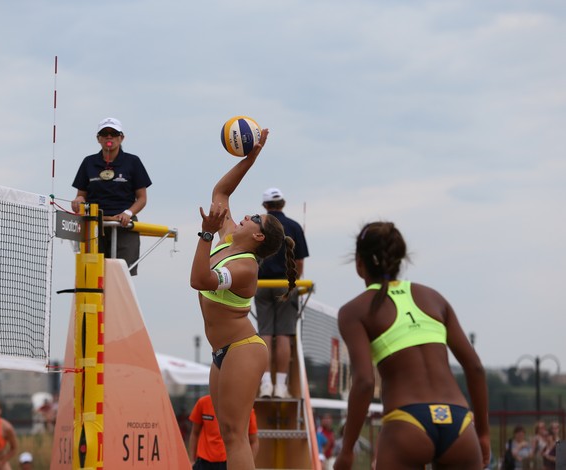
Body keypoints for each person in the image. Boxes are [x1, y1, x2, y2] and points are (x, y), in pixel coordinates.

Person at [333, 221, 490, 470]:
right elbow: (475, 368)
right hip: (458, 420)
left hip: (407, 420)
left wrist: (347, 450)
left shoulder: (355, 310)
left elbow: (364, 382)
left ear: (359, 264)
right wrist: (482, 434)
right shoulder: (433, 298)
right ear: (399, 259)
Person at [190, 128, 297, 470]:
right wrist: (250, 158)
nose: (248, 214)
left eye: (255, 218)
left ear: (258, 235)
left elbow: (199, 280)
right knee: (226, 433)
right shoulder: (228, 237)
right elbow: (221, 190)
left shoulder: (245, 266)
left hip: (243, 350)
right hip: (221, 352)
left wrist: (206, 233)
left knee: (236, 436)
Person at [71, 117, 152, 275]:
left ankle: (118, 300)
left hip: (123, 225)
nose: (109, 137)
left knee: (121, 273)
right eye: (105, 133)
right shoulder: (88, 162)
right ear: (98, 138)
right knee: (93, 272)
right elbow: (81, 195)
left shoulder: (132, 162)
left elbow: (142, 198)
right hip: (95, 224)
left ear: (121, 137)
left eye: (114, 133)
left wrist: (128, 213)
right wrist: (78, 201)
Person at [256, 187, 309, 399]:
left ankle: (266, 384)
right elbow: (299, 261)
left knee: (266, 333)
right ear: (283, 204)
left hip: (261, 284)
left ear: (265, 206)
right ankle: (281, 386)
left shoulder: (260, 224)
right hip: (285, 283)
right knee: (284, 334)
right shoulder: (294, 226)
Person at [188, 394, 258, 469]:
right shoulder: (203, 403)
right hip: (203, 462)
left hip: (228, 461)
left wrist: (247, 465)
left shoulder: (246, 410)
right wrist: (191, 460)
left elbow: (254, 442)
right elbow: (195, 433)